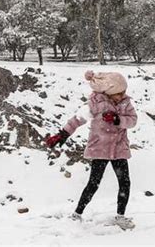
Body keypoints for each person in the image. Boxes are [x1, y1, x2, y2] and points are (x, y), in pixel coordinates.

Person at [45, 70, 138, 230]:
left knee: (125, 183)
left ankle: (121, 217)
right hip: (100, 149)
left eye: (124, 91)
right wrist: (62, 135)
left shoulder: (126, 103)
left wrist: (117, 119)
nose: (123, 95)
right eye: (119, 92)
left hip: (119, 149)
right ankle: (77, 214)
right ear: (110, 91)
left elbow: (133, 121)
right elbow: (77, 120)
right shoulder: (95, 104)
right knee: (93, 184)